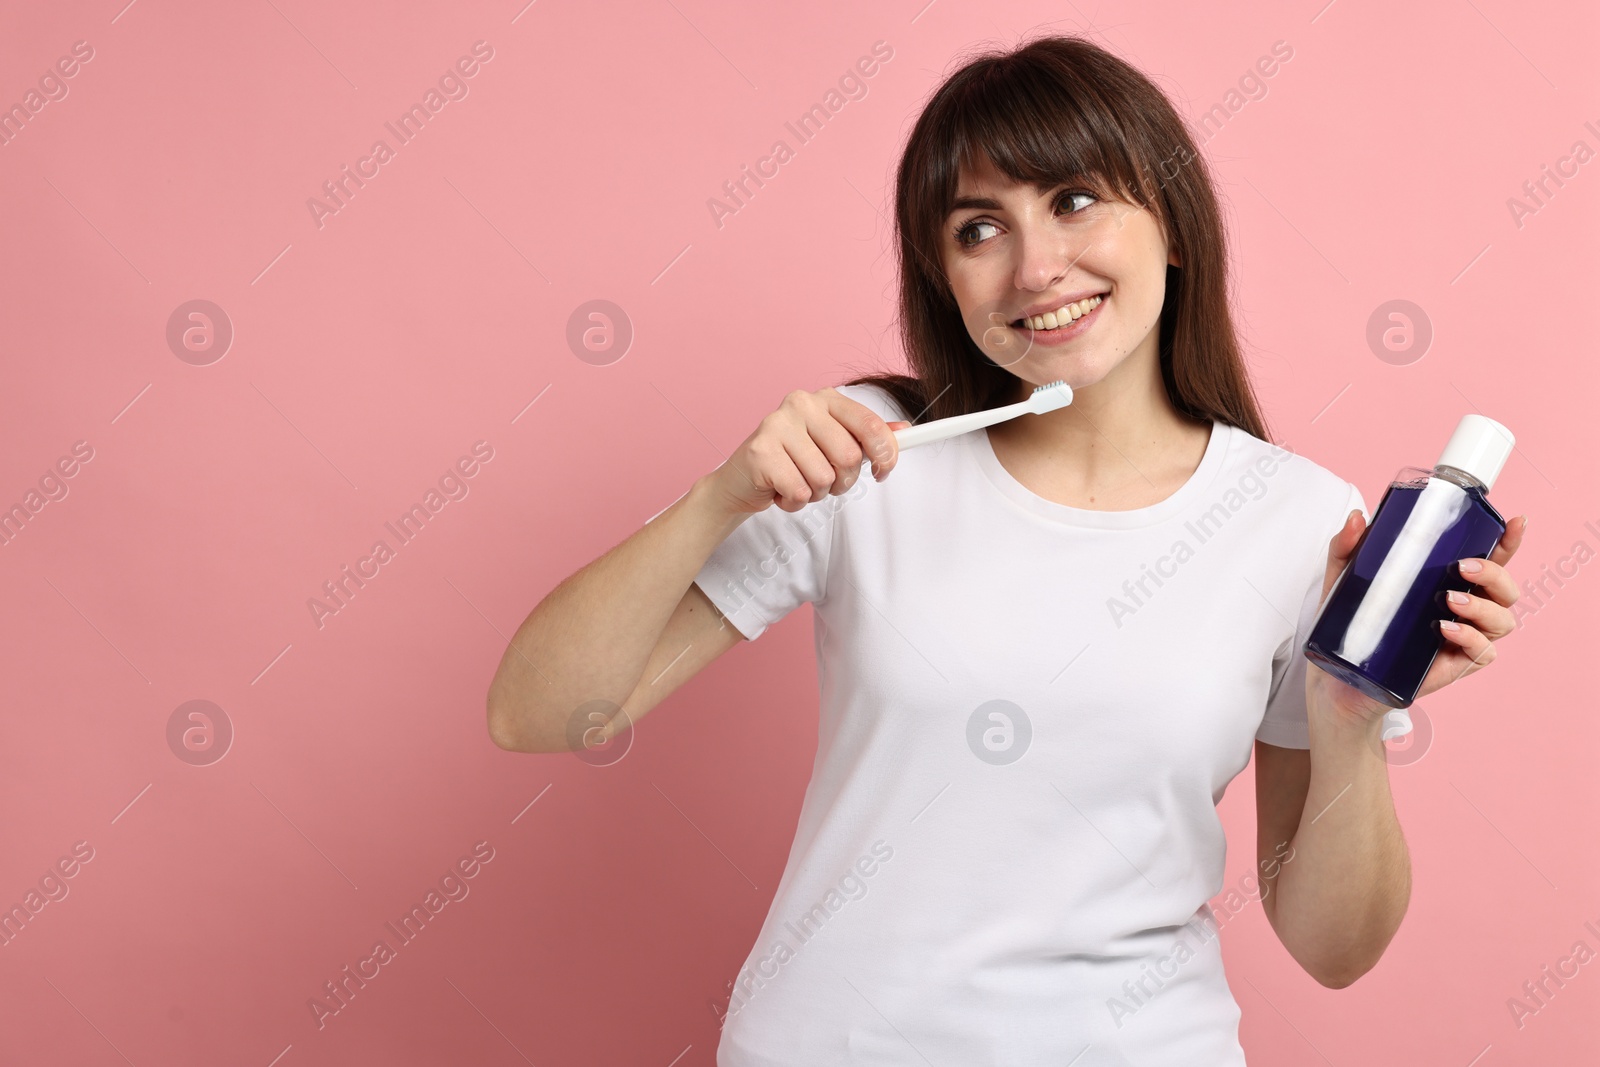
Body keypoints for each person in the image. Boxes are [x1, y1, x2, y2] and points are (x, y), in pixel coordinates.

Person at [485, 34, 1528, 1066]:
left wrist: (1350, 712)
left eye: (1074, 200)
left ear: (1171, 226)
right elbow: (535, 714)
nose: (1035, 266)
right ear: (942, 275)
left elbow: (1333, 949)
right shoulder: (869, 458)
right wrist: (718, 498)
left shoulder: (1295, 519)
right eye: (979, 228)